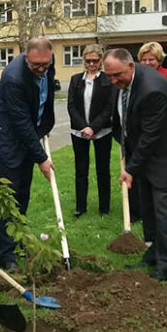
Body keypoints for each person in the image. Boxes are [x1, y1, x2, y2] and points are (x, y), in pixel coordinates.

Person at [103, 48, 167, 281]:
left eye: (117, 76)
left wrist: (130, 169)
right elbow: (123, 121)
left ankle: (165, 266)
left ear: (131, 67)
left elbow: (150, 136)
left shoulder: (152, 89)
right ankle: (152, 254)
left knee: (163, 209)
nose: (113, 81)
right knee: (147, 208)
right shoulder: (121, 82)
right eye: (109, 76)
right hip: (142, 152)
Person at [0, 37, 56, 270]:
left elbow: (46, 100)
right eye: (35, 65)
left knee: (23, 193)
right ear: (26, 57)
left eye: (44, 65)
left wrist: (45, 127)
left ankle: (19, 239)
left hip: (29, 135)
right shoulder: (13, 78)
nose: (40, 69)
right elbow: (21, 123)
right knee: (9, 195)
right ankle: (6, 255)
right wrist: (42, 158)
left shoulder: (48, 64)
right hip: (7, 139)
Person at [66, 44, 113, 218]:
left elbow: (109, 107)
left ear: (100, 61)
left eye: (95, 61)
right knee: (81, 169)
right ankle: (80, 207)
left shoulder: (107, 80)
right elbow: (71, 106)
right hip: (79, 131)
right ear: (84, 61)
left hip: (102, 131)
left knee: (103, 169)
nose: (91, 64)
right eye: (88, 61)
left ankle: (104, 208)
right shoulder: (75, 79)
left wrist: (94, 127)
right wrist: (84, 127)